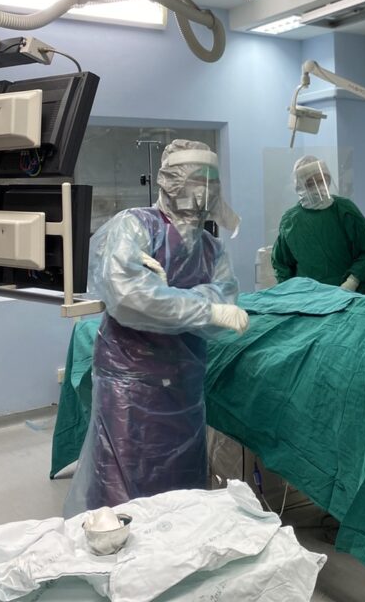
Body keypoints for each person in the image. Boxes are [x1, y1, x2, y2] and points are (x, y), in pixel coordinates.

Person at [64, 140, 249, 516]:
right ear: (170, 181)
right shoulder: (135, 225)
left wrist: (166, 296)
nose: (203, 192)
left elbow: (226, 298)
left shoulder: (211, 247)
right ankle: (118, 542)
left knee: (182, 485)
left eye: (211, 182)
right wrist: (204, 306)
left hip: (184, 383)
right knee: (123, 484)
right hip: (131, 383)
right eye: (195, 180)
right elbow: (128, 298)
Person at [271, 155, 365, 293]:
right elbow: (282, 265)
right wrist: (292, 294)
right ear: (300, 186)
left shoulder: (345, 211)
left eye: (322, 180)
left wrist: (352, 282)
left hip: (350, 295)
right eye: (311, 183)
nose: (319, 187)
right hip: (308, 297)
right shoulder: (290, 221)